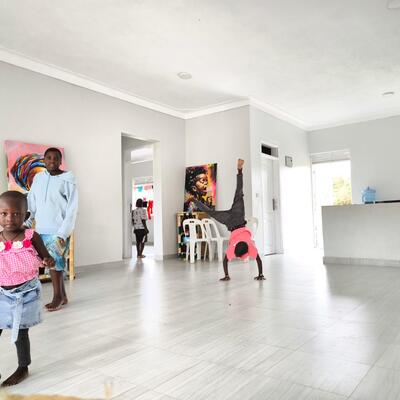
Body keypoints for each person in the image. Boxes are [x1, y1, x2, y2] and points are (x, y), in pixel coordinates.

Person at [0, 191, 54, 386]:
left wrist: (48, 260)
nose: (9, 218)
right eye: (4, 213)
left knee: (20, 333)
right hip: (2, 293)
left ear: (26, 215)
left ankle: (23, 367)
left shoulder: (31, 236)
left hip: (26, 293)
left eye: (16, 214)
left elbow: (46, 257)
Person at [26, 147, 78, 312]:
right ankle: (63, 296)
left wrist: (63, 232)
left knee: (55, 263)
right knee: (51, 262)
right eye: (49, 157)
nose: (52, 161)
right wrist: (28, 222)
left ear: (60, 161)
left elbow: (72, 208)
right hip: (41, 229)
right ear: (44, 160)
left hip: (58, 230)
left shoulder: (68, 180)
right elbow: (32, 201)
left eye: (56, 158)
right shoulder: (39, 178)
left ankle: (57, 297)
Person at [195, 159, 265, 281]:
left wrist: (261, 274)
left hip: (238, 216)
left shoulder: (249, 245)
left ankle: (239, 170)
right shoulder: (234, 247)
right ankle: (194, 201)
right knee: (211, 213)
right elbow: (227, 260)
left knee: (239, 193)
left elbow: (258, 260)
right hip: (230, 222)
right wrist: (260, 275)